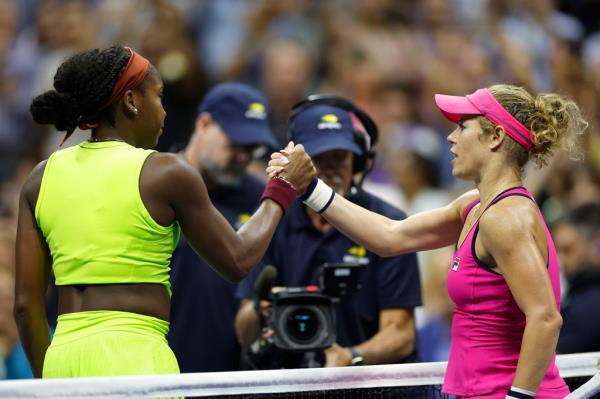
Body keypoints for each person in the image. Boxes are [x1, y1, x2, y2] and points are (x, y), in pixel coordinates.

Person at [15, 45, 314, 379]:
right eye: (159, 96)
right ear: (131, 101)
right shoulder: (165, 172)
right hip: (135, 361)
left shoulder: (40, 177)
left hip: (62, 362)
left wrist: (47, 382)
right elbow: (238, 260)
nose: (165, 112)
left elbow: (26, 306)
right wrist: (282, 188)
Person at [269, 85, 588, 398]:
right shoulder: (475, 205)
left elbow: (545, 318)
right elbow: (390, 237)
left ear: (495, 137)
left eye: (462, 127)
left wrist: (517, 398)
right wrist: (309, 187)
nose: (450, 138)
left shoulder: (505, 218)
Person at [235, 98, 421, 368]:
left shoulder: (388, 222)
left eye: (339, 157)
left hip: (369, 384)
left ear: (358, 162)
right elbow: (244, 333)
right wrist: (260, 310)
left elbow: (401, 334)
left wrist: (350, 357)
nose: (330, 168)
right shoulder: (272, 221)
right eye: (318, 158)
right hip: (292, 382)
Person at [168, 82, 279, 373]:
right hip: (157, 368)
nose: (244, 157)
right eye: (235, 144)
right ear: (204, 124)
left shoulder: (261, 200)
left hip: (234, 375)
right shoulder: (155, 186)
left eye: (251, 148)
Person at [553, 202, 600, 354]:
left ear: (596, 244)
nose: (560, 261)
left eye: (568, 250)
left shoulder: (589, 305)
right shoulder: (578, 296)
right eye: (557, 251)